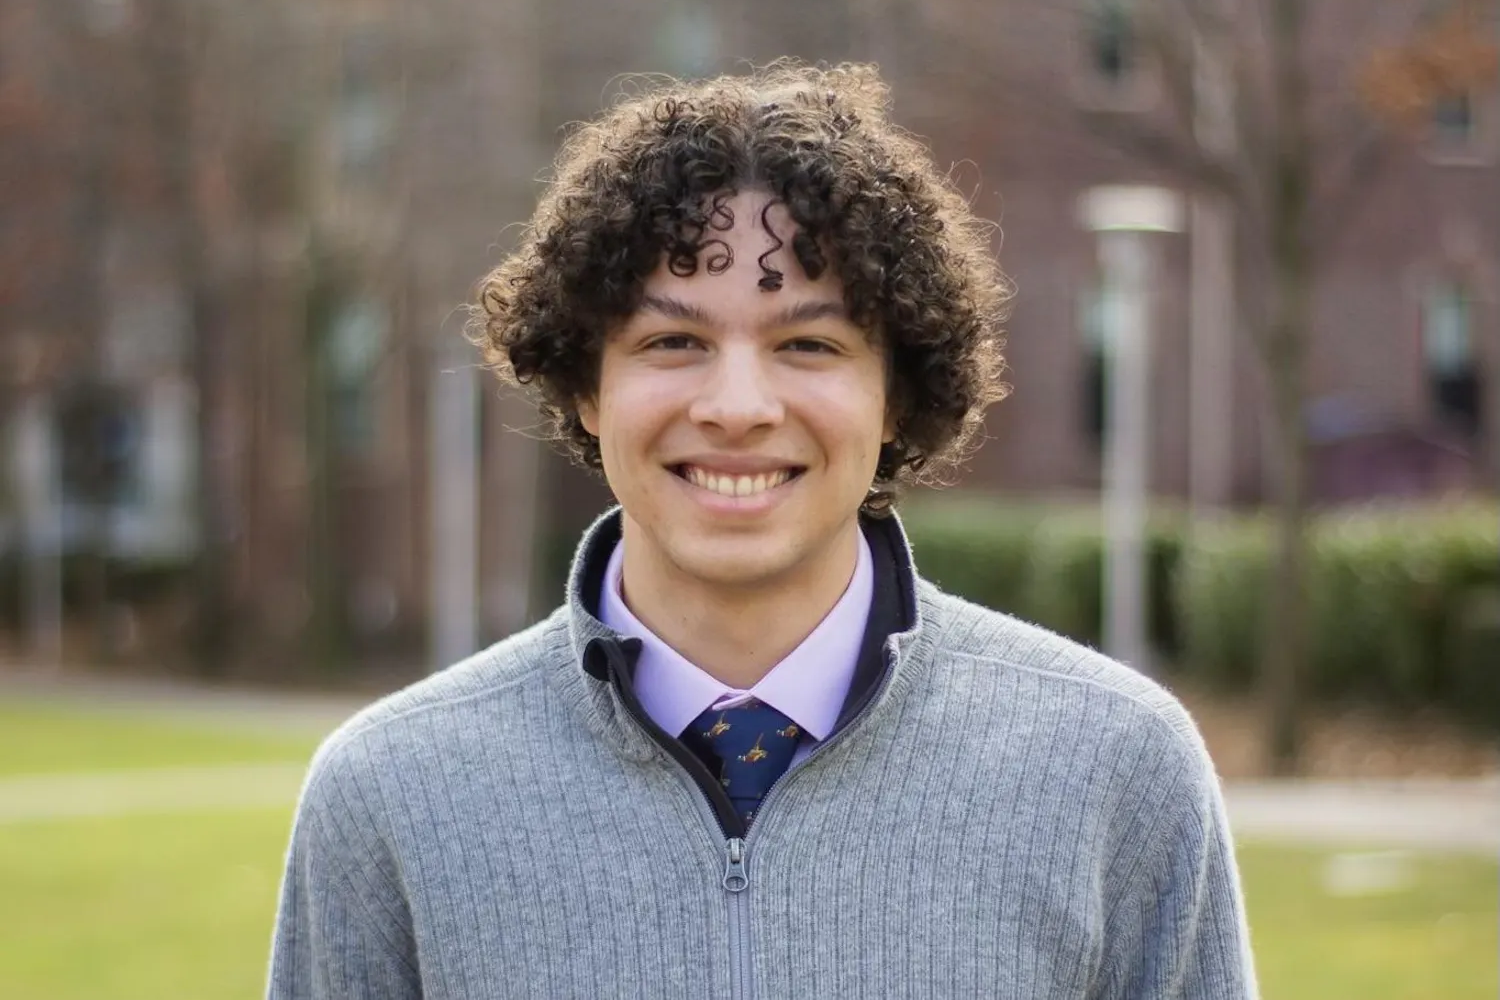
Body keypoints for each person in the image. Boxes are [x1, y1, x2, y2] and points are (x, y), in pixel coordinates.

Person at [267, 62, 1257, 999]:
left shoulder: (1118, 769)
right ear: (584, 385)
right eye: (673, 341)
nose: (737, 405)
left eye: (808, 344)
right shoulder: (390, 796)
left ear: (897, 396)